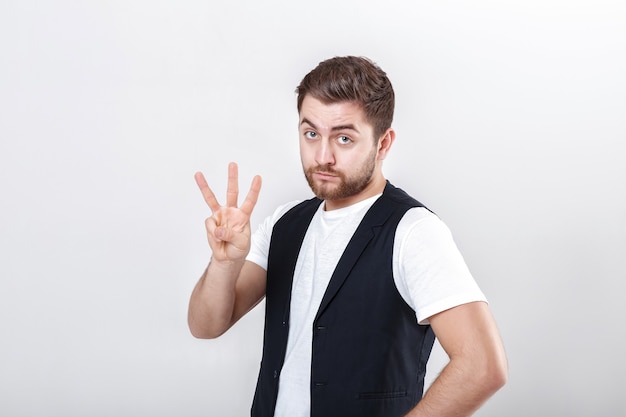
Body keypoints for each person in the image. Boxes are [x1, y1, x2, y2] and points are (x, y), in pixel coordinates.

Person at [188, 56, 507, 417]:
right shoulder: (284, 223)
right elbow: (206, 326)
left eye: (343, 138)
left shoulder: (414, 231)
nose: (323, 156)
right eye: (311, 134)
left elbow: (482, 367)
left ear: (383, 144)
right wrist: (223, 263)